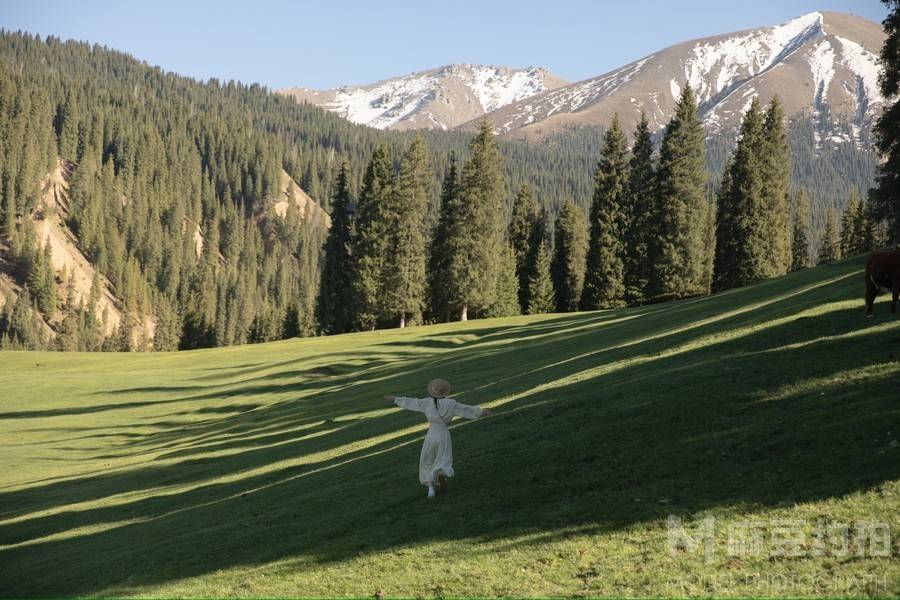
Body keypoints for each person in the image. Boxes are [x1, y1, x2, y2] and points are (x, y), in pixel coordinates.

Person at [386, 378, 492, 499]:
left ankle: (430, 489)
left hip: (432, 434)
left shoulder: (427, 402)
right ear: (445, 392)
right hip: (443, 434)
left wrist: (395, 399)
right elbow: (466, 409)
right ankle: (440, 473)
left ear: (432, 391)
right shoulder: (451, 404)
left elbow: (412, 402)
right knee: (443, 457)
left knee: (427, 459)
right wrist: (482, 412)